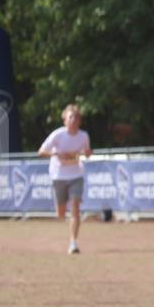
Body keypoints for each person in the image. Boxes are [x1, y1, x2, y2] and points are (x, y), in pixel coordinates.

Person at [38, 104, 92, 254]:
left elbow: (86, 153)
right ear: (65, 120)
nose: (74, 120)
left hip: (76, 174)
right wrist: (56, 155)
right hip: (58, 175)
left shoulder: (83, 136)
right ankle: (66, 217)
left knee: (75, 208)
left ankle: (73, 243)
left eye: (77, 117)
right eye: (71, 117)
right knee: (61, 214)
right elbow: (41, 151)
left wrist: (87, 153)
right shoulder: (58, 135)